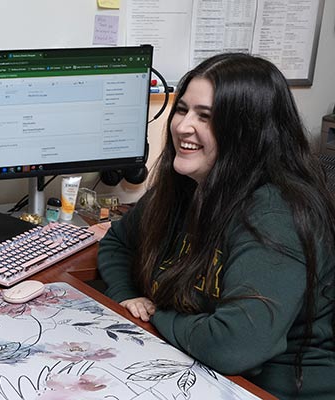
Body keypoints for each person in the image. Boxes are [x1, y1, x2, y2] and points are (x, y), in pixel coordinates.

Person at [97, 52, 335, 399]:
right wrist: (127, 296)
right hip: (200, 368)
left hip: (275, 388)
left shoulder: (275, 214)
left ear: (247, 132)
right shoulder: (187, 185)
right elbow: (118, 242)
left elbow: (235, 347)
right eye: (182, 109)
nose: (182, 126)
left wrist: (157, 315)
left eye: (205, 117)